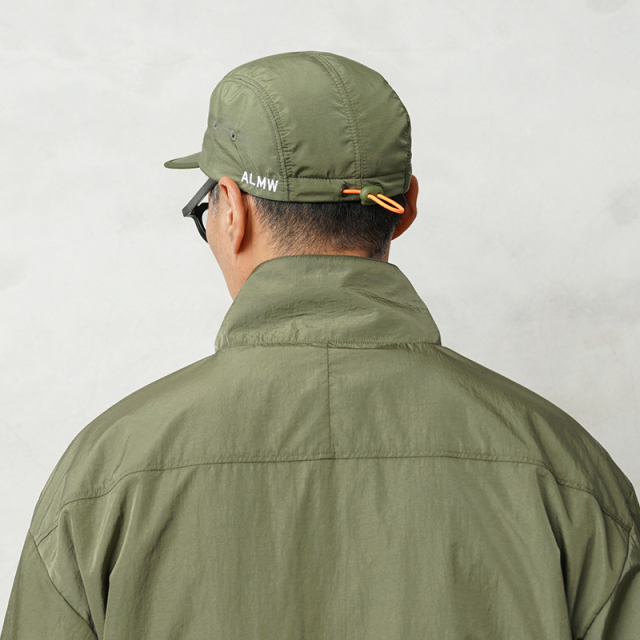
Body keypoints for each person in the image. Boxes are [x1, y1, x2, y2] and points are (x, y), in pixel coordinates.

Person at [1, 51, 638, 640]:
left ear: (231, 211)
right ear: (407, 207)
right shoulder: (568, 474)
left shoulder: (104, 479)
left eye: (206, 208)